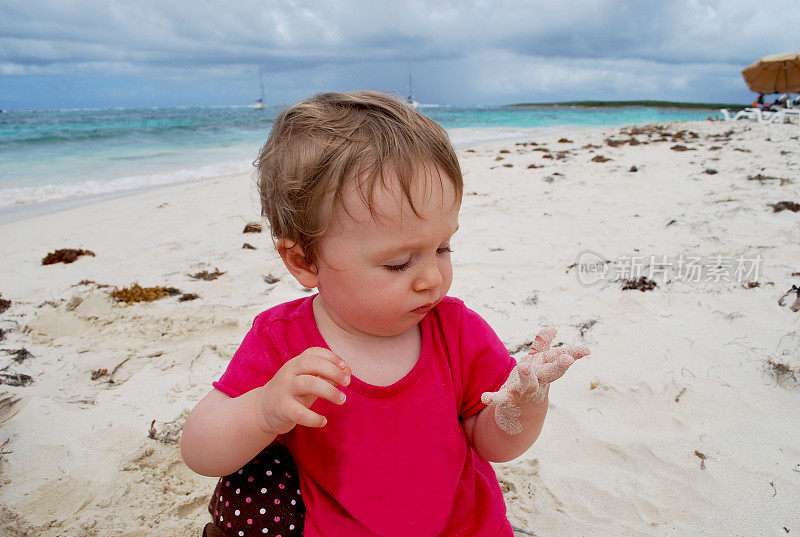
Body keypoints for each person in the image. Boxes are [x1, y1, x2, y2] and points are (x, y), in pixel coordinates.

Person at [181, 91, 589, 537]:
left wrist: (521, 409)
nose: (432, 277)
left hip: (463, 528)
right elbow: (200, 450)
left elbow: (491, 441)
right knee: (245, 487)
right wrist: (262, 411)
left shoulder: (456, 330)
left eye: (442, 247)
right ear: (303, 262)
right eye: (399, 263)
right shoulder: (282, 340)